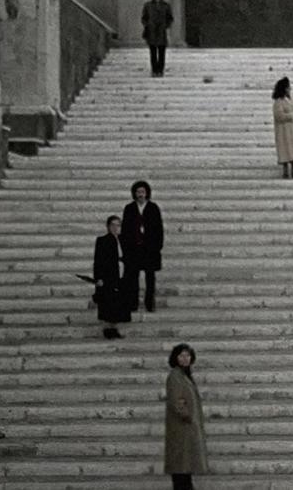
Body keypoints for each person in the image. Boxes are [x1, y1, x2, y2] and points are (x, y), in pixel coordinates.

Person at [164, 343, 208, 490]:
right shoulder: (175, 376)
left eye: (188, 355)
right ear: (175, 358)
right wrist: (186, 415)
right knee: (181, 470)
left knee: (184, 469)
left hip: (185, 429)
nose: (185, 358)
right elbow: (176, 400)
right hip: (181, 429)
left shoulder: (184, 375)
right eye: (181, 355)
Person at [122, 180, 164, 312]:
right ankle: (132, 304)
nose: (140, 194)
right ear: (134, 193)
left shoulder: (153, 208)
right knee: (132, 278)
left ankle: (149, 304)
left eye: (143, 192)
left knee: (150, 278)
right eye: (138, 192)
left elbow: (159, 229)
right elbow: (125, 230)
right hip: (134, 249)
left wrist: (157, 247)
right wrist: (125, 248)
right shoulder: (129, 208)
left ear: (147, 193)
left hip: (149, 249)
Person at [92, 215, 131, 339]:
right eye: (113, 225)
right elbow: (98, 261)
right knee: (108, 302)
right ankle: (107, 329)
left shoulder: (124, 240)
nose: (115, 227)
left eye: (118, 225)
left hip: (121, 274)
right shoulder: (102, 240)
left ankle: (115, 328)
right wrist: (98, 278)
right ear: (108, 227)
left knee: (118, 302)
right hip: (108, 275)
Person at [141, 0, 174, 77]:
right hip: (151, 32)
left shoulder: (166, 6)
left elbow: (170, 18)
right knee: (153, 53)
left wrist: (165, 26)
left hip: (161, 32)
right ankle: (154, 70)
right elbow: (144, 18)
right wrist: (148, 25)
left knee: (162, 53)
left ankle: (160, 70)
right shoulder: (148, 5)